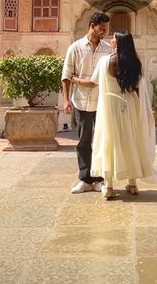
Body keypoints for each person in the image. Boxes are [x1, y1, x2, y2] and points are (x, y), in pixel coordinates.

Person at [71, 29, 157, 199]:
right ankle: (132, 184)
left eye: (114, 39)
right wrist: (139, 112)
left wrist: (75, 80)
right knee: (129, 141)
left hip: (109, 105)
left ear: (119, 43)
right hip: (128, 105)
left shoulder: (104, 62)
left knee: (109, 143)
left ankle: (108, 187)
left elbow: (92, 83)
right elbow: (138, 90)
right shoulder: (135, 63)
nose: (112, 41)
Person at [62, 12, 111, 194]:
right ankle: (85, 179)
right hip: (82, 102)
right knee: (83, 141)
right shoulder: (75, 48)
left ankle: (99, 179)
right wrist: (66, 100)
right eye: (101, 28)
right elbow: (66, 76)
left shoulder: (108, 49)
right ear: (92, 25)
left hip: (102, 103)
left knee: (101, 141)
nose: (104, 32)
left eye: (106, 29)